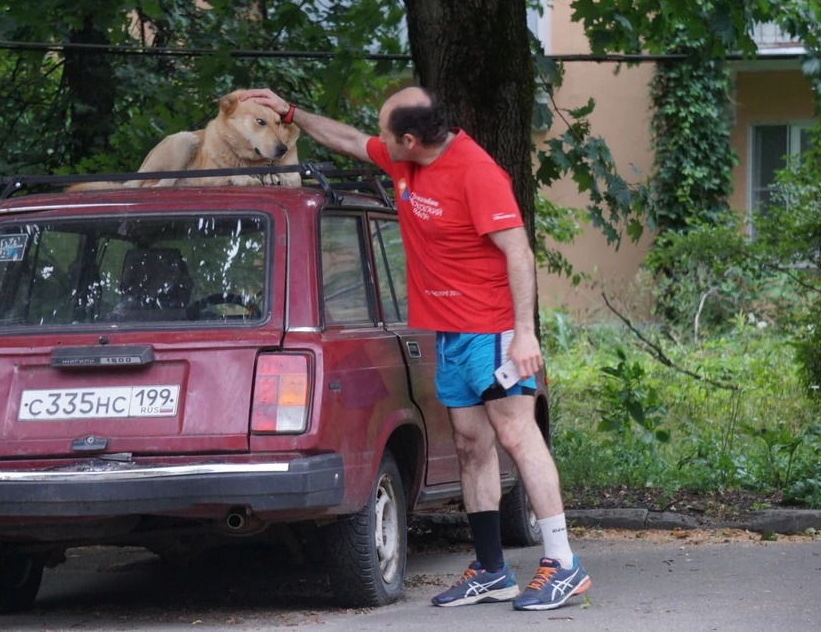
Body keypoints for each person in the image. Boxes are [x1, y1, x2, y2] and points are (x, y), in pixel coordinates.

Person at [239, 86, 591, 611]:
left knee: (517, 434)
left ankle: (563, 564)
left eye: (385, 132)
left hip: (491, 328)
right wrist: (290, 113)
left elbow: (519, 250)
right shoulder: (406, 162)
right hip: (447, 331)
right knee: (471, 445)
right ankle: (493, 571)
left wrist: (524, 331)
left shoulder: (476, 173)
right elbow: (348, 140)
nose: (377, 141)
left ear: (410, 138)